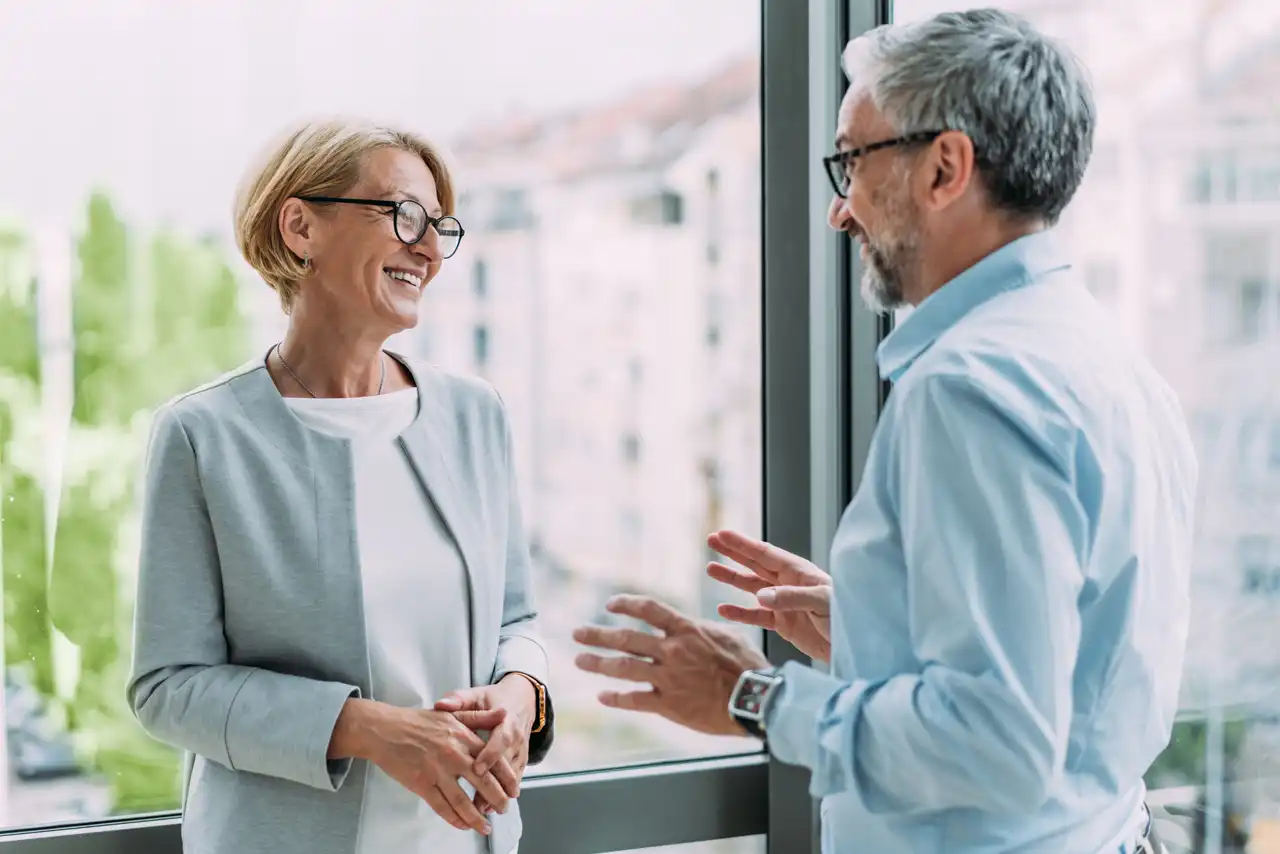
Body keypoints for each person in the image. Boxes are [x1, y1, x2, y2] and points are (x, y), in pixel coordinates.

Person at [573, 10, 1194, 854]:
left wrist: (751, 695)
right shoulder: (1108, 360)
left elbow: (998, 747)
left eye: (853, 163)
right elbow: (1074, 672)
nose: (840, 212)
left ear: (945, 168)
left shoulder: (970, 388)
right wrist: (880, 632)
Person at [127, 118, 553, 854]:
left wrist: (524, 696)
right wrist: (364, 728)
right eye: (402, 214)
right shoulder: (205, 437)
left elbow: (517, 621)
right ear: (301, 227)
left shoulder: (475, 415)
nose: (427, 247)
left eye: (439, 226)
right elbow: (169, 687)